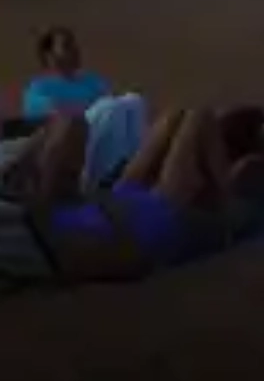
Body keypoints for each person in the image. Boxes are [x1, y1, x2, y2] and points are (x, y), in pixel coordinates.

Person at [0, 107, 240, 285]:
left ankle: (16, 177)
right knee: (185, 116)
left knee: (195, 117)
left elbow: (200, 119)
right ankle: (15, 176)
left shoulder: (187, 207)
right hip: (111, 211)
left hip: (133, 222)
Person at [20, 26, 148, 190]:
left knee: (135, 101)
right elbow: (51, 121)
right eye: (66, 46)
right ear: (49, 56)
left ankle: (134, 166)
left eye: (74, 45)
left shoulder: (93, 80)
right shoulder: (39, 88)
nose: (75, 50)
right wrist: (92, 108)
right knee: (108, 107)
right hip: (77, 138)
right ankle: (106, 174)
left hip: (103, 128)